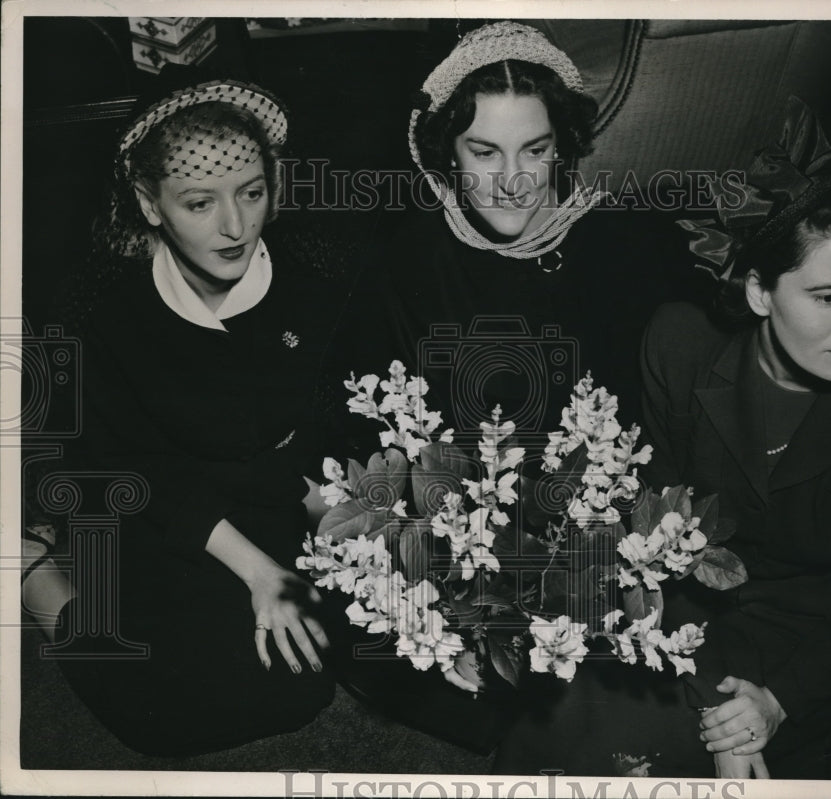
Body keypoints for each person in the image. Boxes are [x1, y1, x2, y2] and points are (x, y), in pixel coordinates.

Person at [493, 98, 831, 779]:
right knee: (552, 725)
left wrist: (772, 706)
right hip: (681, 603)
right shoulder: (680, 343)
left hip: (800, 643)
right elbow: (661, 520)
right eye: (828, 295)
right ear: (758, 292)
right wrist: (709, 690)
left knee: (633, 757)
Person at [317, 21, 701, 753]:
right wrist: (452, 595)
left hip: (585, 532)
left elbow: (656, 429)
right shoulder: (404, 263)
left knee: (617, 673)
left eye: (536, 149)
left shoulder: (623, 244)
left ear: (563, 147)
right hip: (451, 536)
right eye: (483, 151)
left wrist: (622, 550)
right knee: (432, 665)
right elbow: (366, 455)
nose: (515, 180)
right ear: (443, 157)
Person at [24, 66, 342, 756]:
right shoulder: (97, 305)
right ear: (147, 202)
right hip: (153, 506)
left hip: (272, 497)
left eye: (252, 193)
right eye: (200, 203)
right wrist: (255, 570)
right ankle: (36, 579)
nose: (235, 225)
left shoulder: (314, 273)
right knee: (158, 706)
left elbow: (324, 426)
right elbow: (122, 462)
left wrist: (329, 515)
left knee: (306, 679)